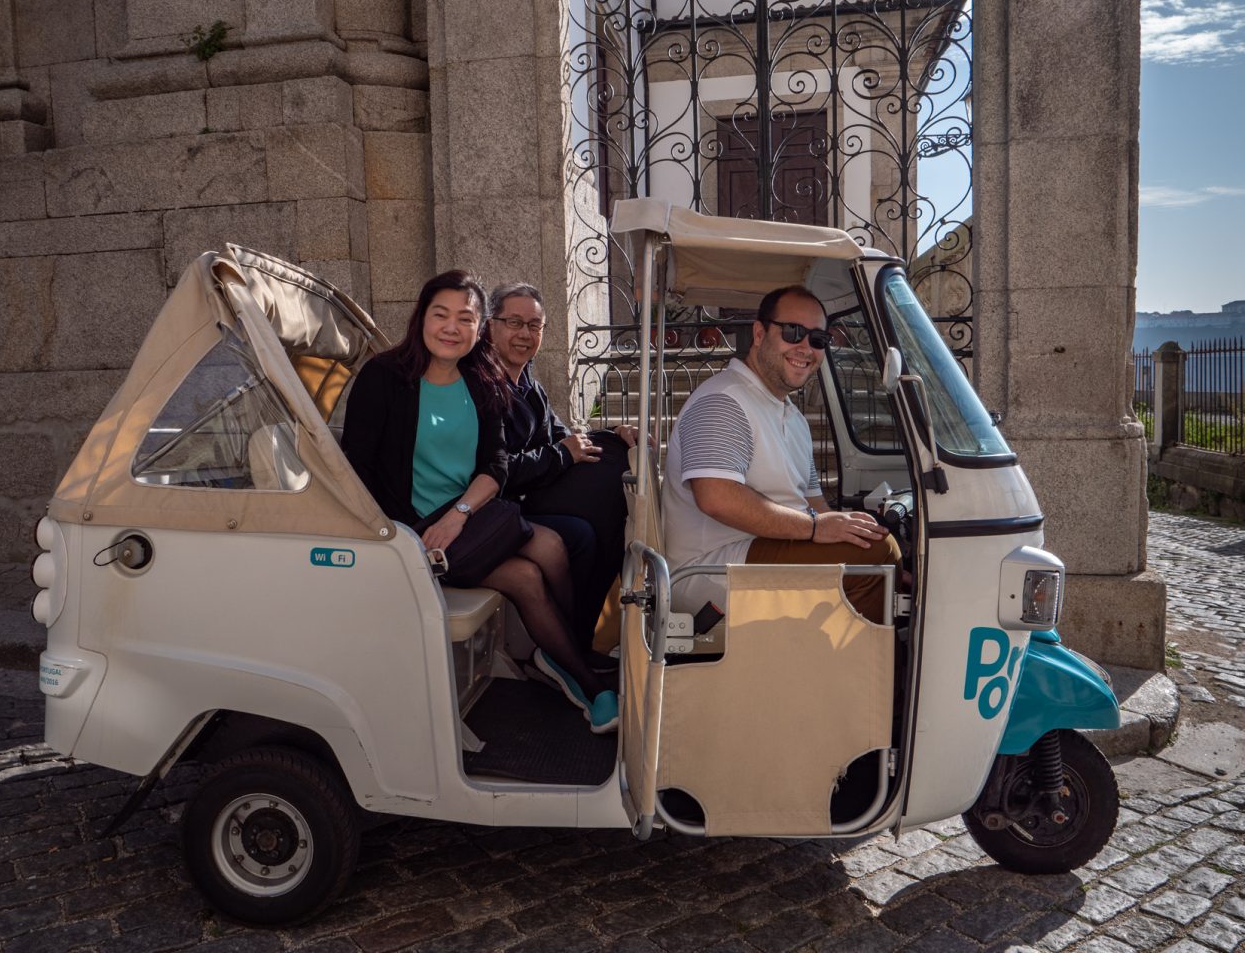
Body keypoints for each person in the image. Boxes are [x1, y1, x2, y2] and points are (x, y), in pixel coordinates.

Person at [341, 270, 618, 733]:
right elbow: (358, 469)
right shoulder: (386, 376)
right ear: (421, 317)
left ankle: (561, 656)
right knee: (528, 574)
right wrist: (396, 538)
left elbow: (496, 466)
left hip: (467, 517)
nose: (452, 327)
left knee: (553, 546)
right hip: (412, 531)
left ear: (477, 327)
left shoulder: (481, 378)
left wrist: (460, 514)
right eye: (441, 315)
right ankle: (585, 681)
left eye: (464, 318)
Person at [663, 284, 901, 623]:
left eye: (818, 339)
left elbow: (814, 505)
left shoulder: (793, 418)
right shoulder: (724, 401)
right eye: (793, 332)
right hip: (711, 571)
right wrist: (816, 529)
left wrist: (847, 527)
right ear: (759, 333)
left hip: (758, 552)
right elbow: (716, 496)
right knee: (877, 556)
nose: (806, 348)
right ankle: (854, 671)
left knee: (874, 543)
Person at [487, 282, 637, 666]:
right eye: (514, 322)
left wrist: (612, 435)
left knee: (615, 465)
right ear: (490, 326)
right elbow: (498, 469)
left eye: (534, 326)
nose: (524, 334)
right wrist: (561, 455)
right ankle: (578, 640)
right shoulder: (483, 385)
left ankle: (587, 634)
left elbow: (562, 436)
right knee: (597, 514)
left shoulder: (528, 382)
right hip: (502, 506)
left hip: (534, 492)